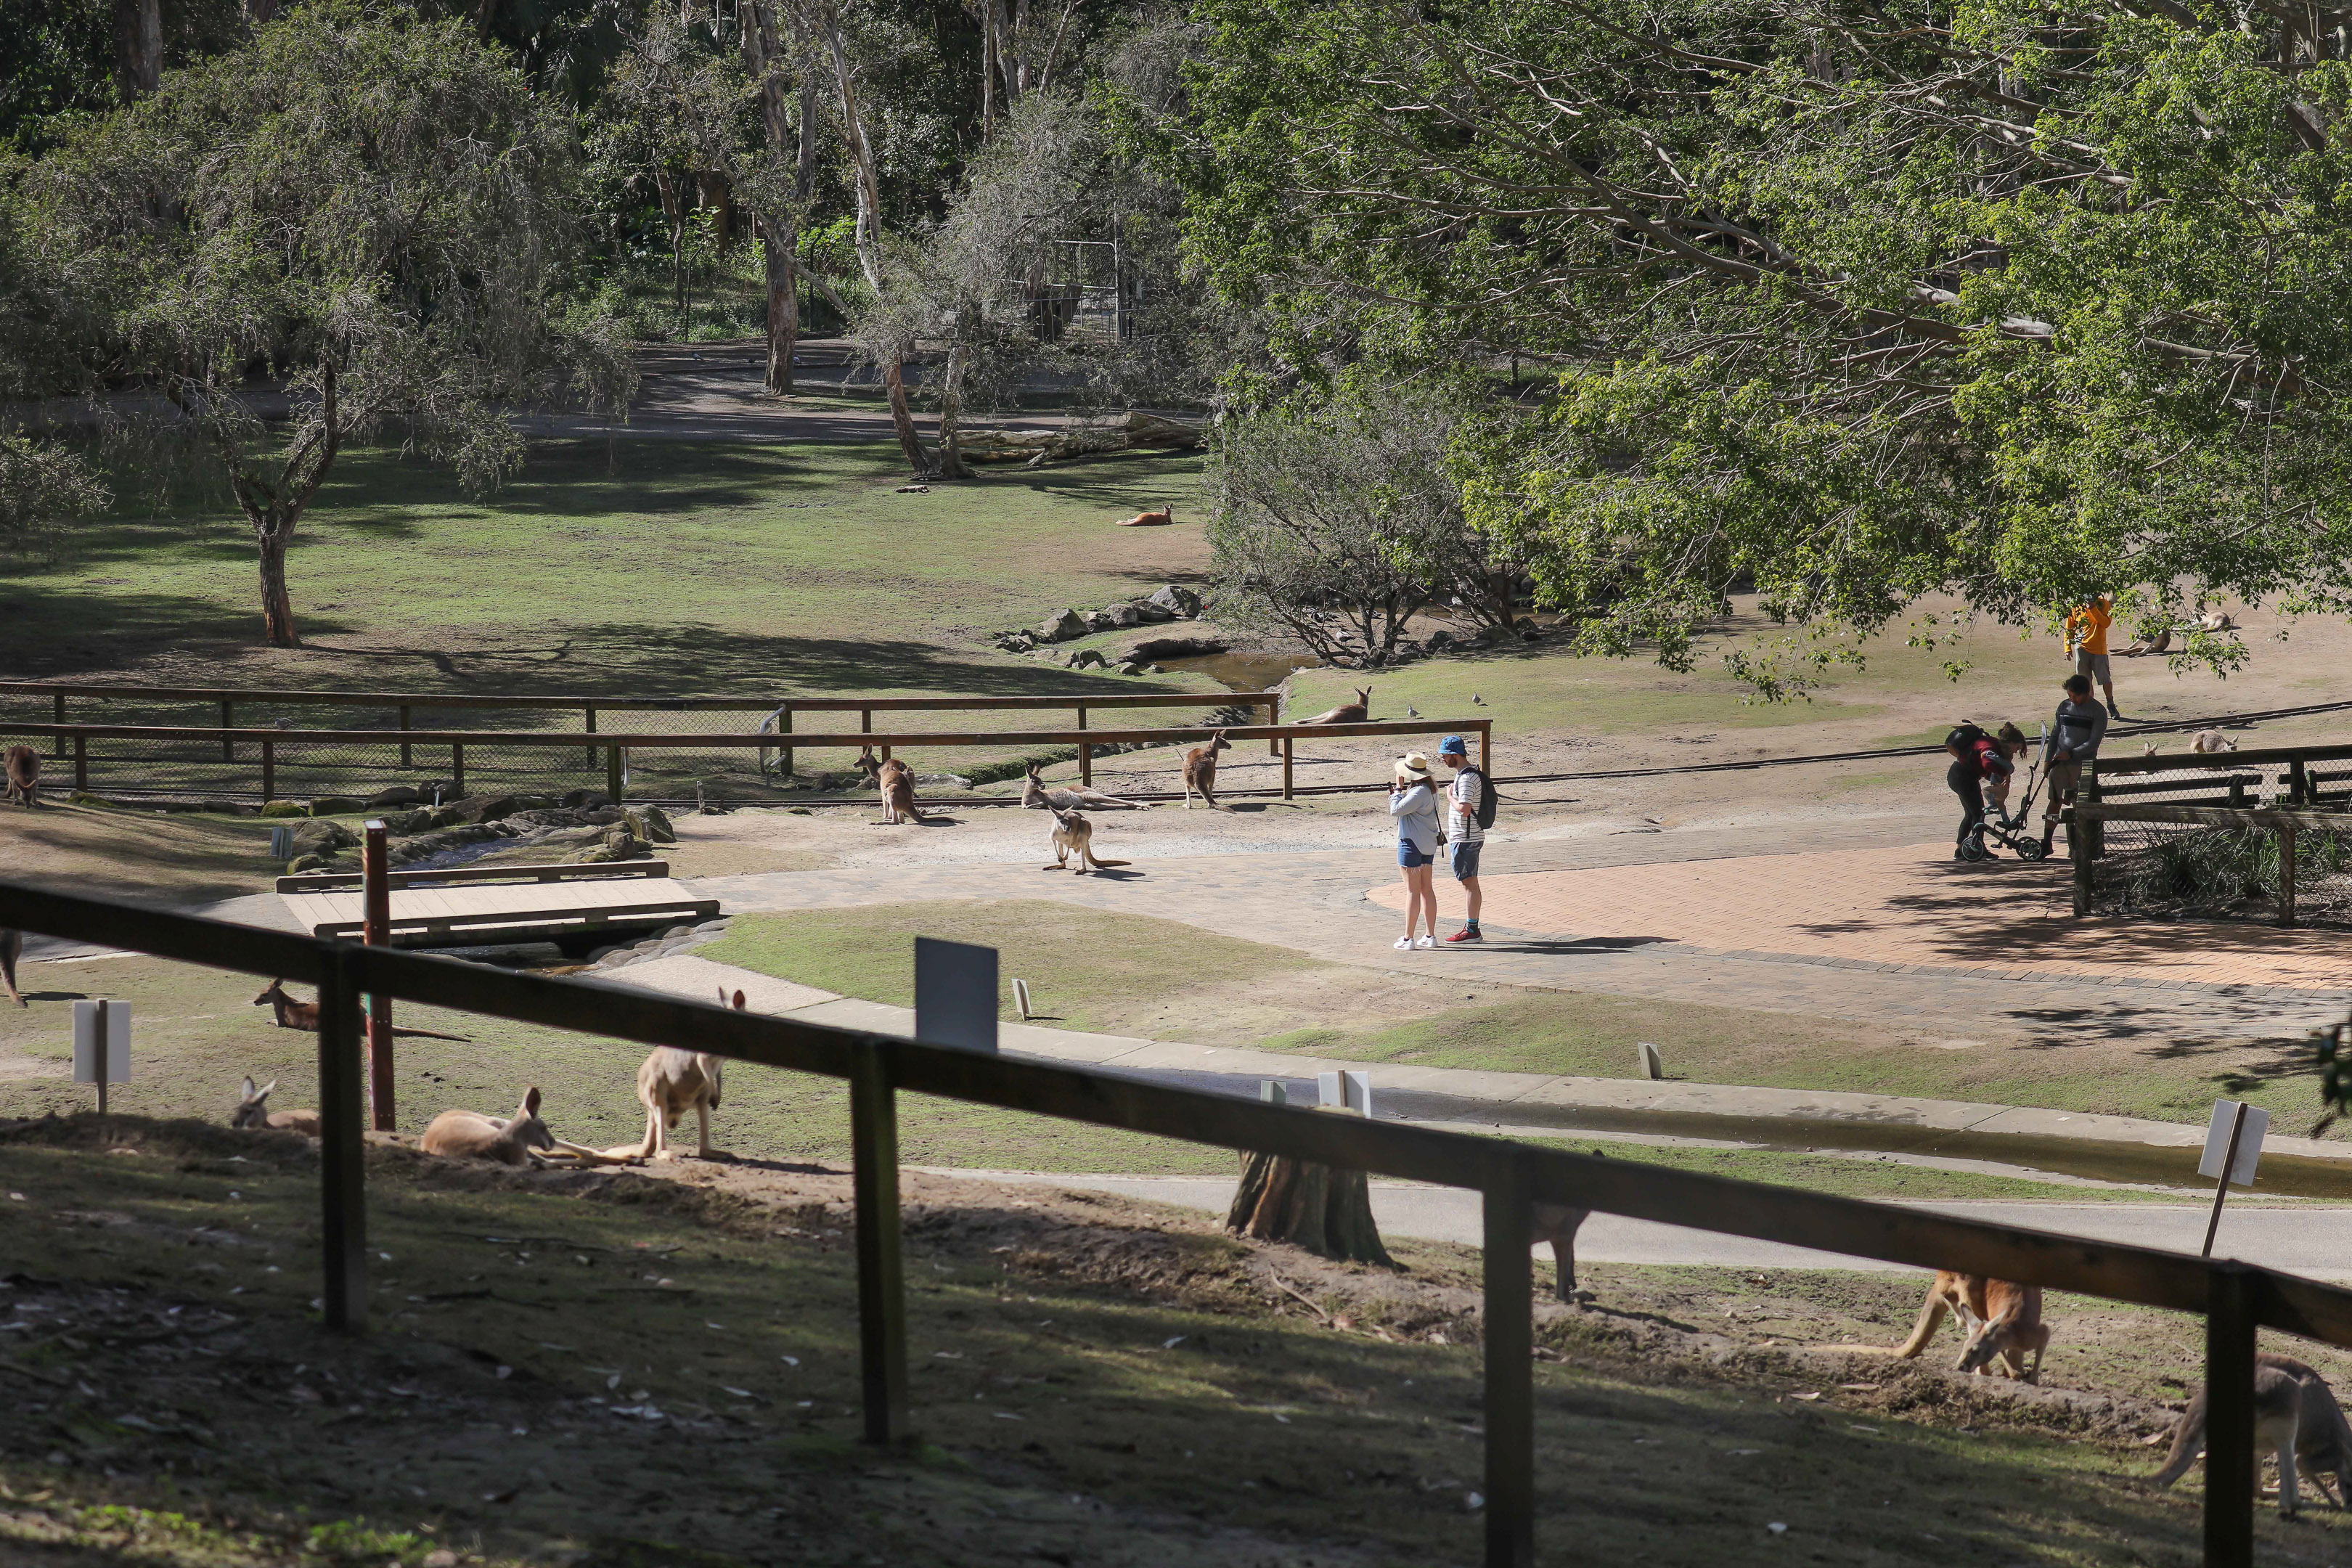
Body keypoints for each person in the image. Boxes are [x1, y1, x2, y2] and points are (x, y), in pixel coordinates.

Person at [2038, 673, 2109, 856]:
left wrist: (2071, 753)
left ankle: (2079, 845)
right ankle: (2047, 841)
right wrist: (2048, 759)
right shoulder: (2064, 707)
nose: (2073, 699)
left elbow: (2093, 742)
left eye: (2076, 696)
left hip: (2082, 765)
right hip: (2059, 764)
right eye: (2070, 695)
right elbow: (2055, 734)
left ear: (2086, 693)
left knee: (2079, 804)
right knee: (2054, 802)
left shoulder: (2098, 711)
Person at [1387, 754, 1442, 950]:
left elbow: (1396, 810)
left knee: (1412, 891)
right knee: (1427, 889)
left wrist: (1397, 791)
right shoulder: (1432, 790)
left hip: (1411, 843)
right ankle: (1430, 935)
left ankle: (1408, 938)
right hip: (1428, 844)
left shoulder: (1418, 792)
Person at [1437, 735, 1485, 942]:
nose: (1443, 760)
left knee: (1470, 884)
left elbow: (1465, 809)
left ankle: (1472, 929)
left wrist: (1449, 797)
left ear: (1456, 755)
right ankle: (1472, 927)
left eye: (1445, 756)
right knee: (1470, 883)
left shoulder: (1466, 778)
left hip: (1467, 839)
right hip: (1467, 837)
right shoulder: (1467, 774)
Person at [1945, 723, 2013, 861]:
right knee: (1978, 813)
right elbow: (1987, 764)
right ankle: (1978, 849)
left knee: (1971, 814)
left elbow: (1983, 768)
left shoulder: (1988, 743)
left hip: (1957, 775)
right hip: (1964, 778)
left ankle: (1960, 850)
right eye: (2017, 748)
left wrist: (1996, 779)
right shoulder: (1992, 746)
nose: (2016, 752)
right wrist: (2005, 774)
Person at [2065, 595, 2123, 717]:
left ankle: (2111, 704)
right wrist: (2067, 647)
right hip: (2081, 647)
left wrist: (2093, 608)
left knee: (2105, 679)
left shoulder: (2103, 604)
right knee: (2085, 681)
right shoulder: (2076, 605)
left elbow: (2106, 623)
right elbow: (2069, 627)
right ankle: (2088, 707)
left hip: (2099, 649)